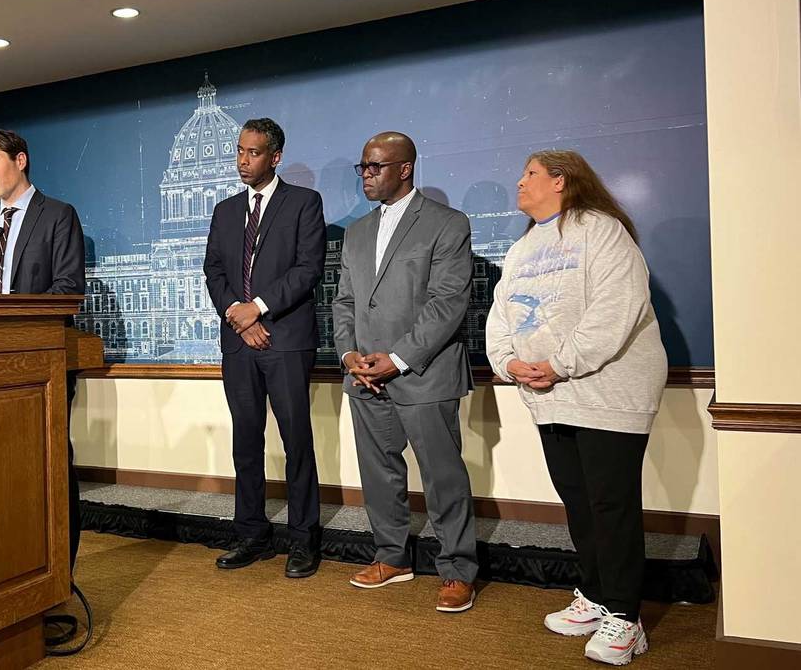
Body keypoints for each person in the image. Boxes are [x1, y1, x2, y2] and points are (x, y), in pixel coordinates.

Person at [486, 150, 666, 666]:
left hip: (608, 393)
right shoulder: (524, 246)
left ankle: (626, 620)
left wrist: (561, 363)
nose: (519, 182)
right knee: (579, 502)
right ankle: (596, 594)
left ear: (561, 181)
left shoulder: (602, 230)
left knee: (611, 506)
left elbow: (618, 308)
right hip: (550, 395)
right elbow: (501, 315)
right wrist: (507, 361)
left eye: (531, 174)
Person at [332, 131, 478, 612]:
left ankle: (457, 569)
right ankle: (391, 557)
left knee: (443, 477)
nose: (366, 175)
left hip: (424, 374)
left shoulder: (447, 224)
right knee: (379, 474)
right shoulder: (355, 233)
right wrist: (349, 356)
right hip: (364, 376)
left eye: (374, 166)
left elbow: (447, 305)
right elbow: (346, 303)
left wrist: (394, 360)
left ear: (405, 168)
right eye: (363, 167)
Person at [203, 118, 327, 578]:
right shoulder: (225, 210)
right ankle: (251, 534)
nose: (242, 160)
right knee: (246, 442)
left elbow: (307, 268)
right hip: (239, 343)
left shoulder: (303, 203)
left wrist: (257, 307)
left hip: (286, 340)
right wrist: (238, 313)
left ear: (274, 157)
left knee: (296, 441)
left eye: (252, 153)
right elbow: (213, 271)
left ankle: (303, 539)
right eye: (239, 151)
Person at [0, 128, 86, 569]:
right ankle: (17, 565)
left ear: (20, 160)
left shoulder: (57, 214)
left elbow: (68, 289)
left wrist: (14, 325)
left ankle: (60, 573)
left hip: (43, 361)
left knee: (51, 463)